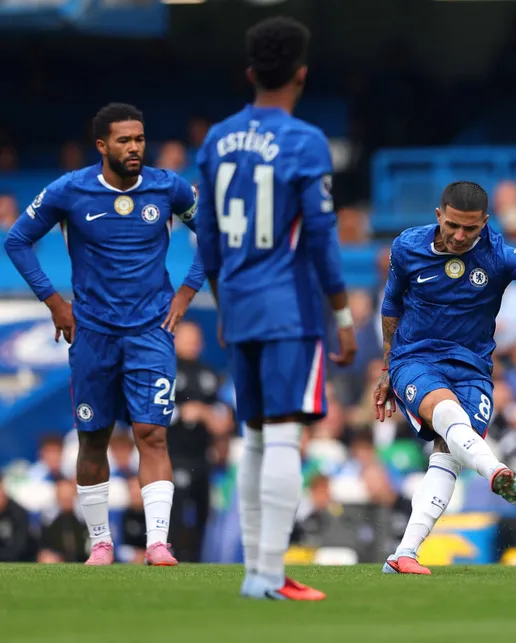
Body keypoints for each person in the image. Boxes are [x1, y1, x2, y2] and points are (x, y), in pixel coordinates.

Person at [194, 16, 356, 601]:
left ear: (249, 72)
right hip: (288, 306)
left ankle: (255, 575)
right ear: (302, 74)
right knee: (284, 436)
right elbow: (321, 237)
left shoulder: (215, 139)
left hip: (237, 301)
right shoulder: (305, 141)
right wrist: (341, 316)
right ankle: (267, 572)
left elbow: (206, 236)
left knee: (255, 437)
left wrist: (221, 300)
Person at [4, 103, 206, 567]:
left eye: (139, 139)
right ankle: (100, 543)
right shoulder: (69, 190)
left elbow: (212, 233)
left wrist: (187, 293)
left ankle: (158, 543)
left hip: (150, 331)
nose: (134, 148)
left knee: (152, 434)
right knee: (93, 437)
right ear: (102, 145)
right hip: (92, 333)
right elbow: (17, 240)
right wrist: (54, 303)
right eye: (124, 140)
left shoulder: (167, 186)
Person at [373, 180, 516, 575]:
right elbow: (391, 304)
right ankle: (494, 470)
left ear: (484, 223)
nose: (460, 235)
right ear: (439, 215)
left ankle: (404, 554)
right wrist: (387, 368)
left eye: (470, 228)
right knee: (448, 414)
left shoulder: (499, 254)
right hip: (415, 358)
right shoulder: (406, 247)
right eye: (452, 225)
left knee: (448, 453)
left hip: (473, 369)